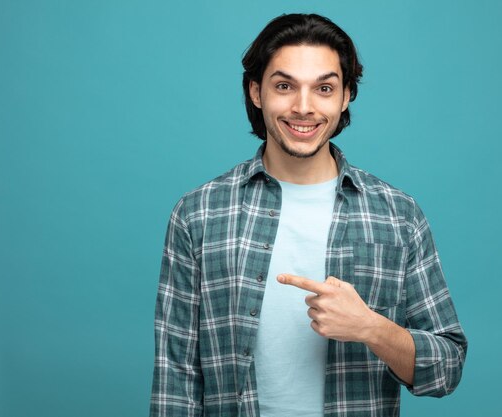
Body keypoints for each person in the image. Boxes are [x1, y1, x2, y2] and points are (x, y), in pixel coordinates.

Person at [150, 13, 467, 417]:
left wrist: (371, 327)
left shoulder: (398, 216)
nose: (304, 107)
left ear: (346, 95)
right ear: (256, 91)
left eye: (324, 88)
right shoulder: (198, 214)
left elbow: (447, 369)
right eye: (284, 86)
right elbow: (174, 380)